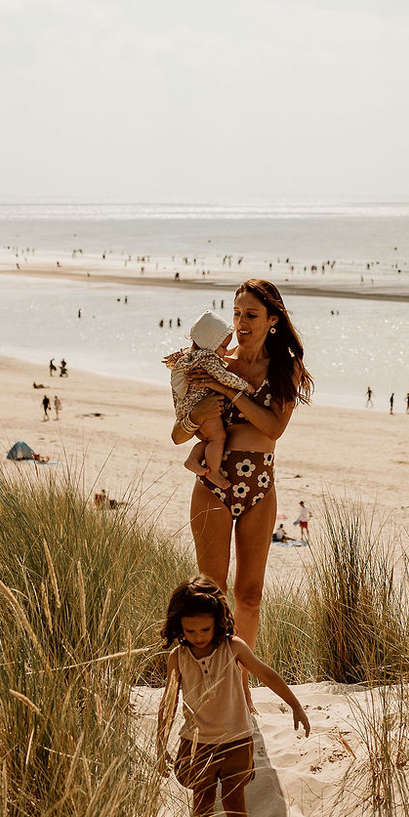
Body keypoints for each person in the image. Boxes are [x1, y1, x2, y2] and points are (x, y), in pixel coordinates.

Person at [182, 280, 312, 661]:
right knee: (211, 591)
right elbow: (178, 432)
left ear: (272, 319)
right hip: (213, 484)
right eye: (236, 313)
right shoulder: (215, 363)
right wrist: (196, 413)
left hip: (260, 485)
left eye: (251, 315)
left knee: (250, 595)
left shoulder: (286, 367)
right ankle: (211, 676)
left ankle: (240, 684)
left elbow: (274, 428)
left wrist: (232, 392)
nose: (240, 322)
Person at [154, 578, 309, 817]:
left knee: (235, 803)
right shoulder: (177, 658)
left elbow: (266, 673)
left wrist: (294, 704)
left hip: (237, 739)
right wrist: (160, 744)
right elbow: (167, 703)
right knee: (202, 798)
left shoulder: (233, 647)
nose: (197, 637)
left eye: (204, 630)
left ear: (218, 623)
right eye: (190, 630)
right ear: (178, 626)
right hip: (197, 743)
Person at [163, 311, 253, 489]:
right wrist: (245, 385)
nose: (225, 352)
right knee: (218, 437)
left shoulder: (187, 357)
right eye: (223, 347)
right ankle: (213, 471)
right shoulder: (207, 358)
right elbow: (224, 377)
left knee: (207, 440)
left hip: (187, 409)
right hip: (202, 407)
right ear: (210, 343)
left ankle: (193, 459)